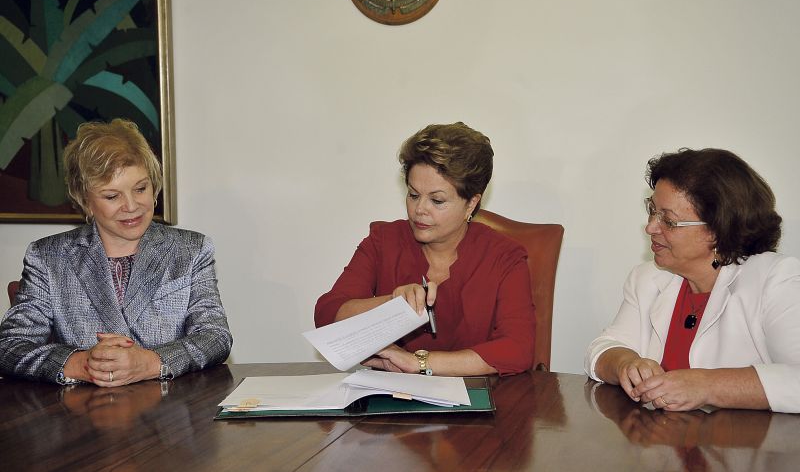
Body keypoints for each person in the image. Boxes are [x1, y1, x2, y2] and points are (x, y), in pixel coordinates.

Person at [0, 119, 232, 386]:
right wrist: (82, 364)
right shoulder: (48, 256)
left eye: (140, 188)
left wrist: (151, 362)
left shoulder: (190, 250)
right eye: (112, 196)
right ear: (84, 200)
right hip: (82, 416)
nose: (131, 206)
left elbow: (215, 337)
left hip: (171, 412)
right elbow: (9, 346)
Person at [585, 148, 800, 413]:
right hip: (663, 446)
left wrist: (707, 385)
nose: (651, 227)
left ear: (718, 230)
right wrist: (625, 363)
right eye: (652, 211)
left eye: (668, 220)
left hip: (748, 446)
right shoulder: (648, 278)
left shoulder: (776, 280)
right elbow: (602, 349)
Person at [314, 122, 535, 376]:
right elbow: (327, 315)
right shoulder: (383, 242)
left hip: (477, 406)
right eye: (413, 194)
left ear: (471, 203)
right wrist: (392, 303)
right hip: (392, 403)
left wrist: (418, 363)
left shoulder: (504, 257)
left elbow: (518, 349)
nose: (419, 209)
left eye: (437, 200)